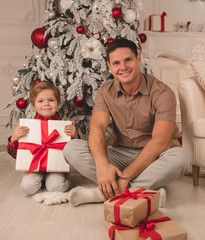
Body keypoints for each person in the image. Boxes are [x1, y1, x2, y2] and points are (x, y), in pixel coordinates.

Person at [63, 38, 189, 206]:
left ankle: (105, 193)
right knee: (72, 148)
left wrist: (126, 177)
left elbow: (160, 142)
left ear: (138, 58)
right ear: (109, 66)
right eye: (116, 63)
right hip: (118, 153)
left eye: (128, 60)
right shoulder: (105, 91)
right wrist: (102, 166)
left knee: (180, 157)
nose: (122, 67)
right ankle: (146, 190)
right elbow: (97, 127)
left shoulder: (162, 93)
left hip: (153, 157)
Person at [7, 81, 78, 195]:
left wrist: (74, 136)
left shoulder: (64, 127)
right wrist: (14, 138)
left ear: (58, 103)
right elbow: (16, 154)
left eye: (51, 100)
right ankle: (42, 179)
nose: (46, 104)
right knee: (28, 187)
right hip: (35, 166)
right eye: (41, 101)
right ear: (34, 105)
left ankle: (63, 179)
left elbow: (74, 152)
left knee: (56, 187)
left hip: (56, 165)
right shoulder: (28, 127)